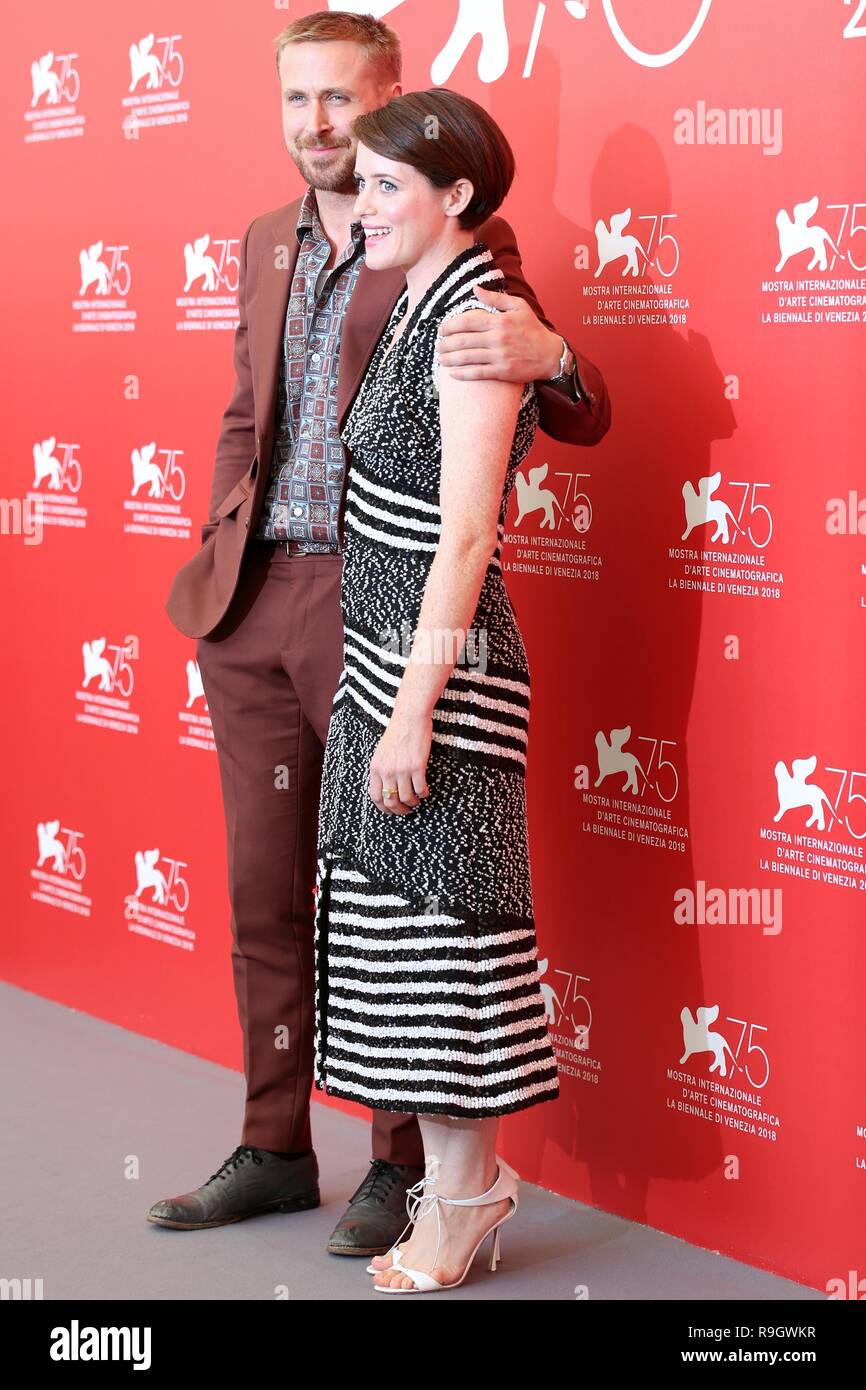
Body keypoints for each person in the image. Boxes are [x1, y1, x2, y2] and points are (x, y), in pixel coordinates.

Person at [154, 10, 610, 1258]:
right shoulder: (265, 239)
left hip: (379, 611)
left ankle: (397, 1168)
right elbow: (246, 413)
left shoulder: (437, 224)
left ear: (387, 97)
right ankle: (271, 1144)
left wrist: (559, 352)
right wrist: (218, 547)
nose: (316, 126)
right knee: (266, 890)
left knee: (388, 892)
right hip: (254, 602)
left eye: (338, 102)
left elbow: (554, 400)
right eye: (295, 101)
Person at [313, 86, 560, 1295]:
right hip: (380, 655)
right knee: (401, 945)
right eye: (360, 185)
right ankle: (458, 1191)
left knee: (451, 940)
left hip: (439, 670)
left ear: (456, 196)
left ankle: (465, 1198)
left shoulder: (475, 312)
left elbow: (465, 538)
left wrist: (414, 706)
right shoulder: (410, 297)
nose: (363, 208)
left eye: (385, 187)